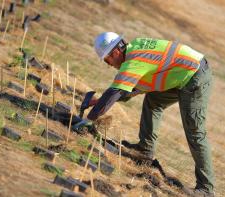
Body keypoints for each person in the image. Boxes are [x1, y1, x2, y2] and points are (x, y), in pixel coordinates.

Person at [80, 32, 215, 196]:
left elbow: (115, 92)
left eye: (107, 60)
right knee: (153, 101)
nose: (109, 65)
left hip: (195, 75)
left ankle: (206, 189)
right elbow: (131, 89)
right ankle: (145, 150)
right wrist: (99, 102)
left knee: (195, 132)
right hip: (181, 73)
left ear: (115, 52)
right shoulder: (135, 48)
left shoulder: (133, 61)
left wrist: (89, 119)